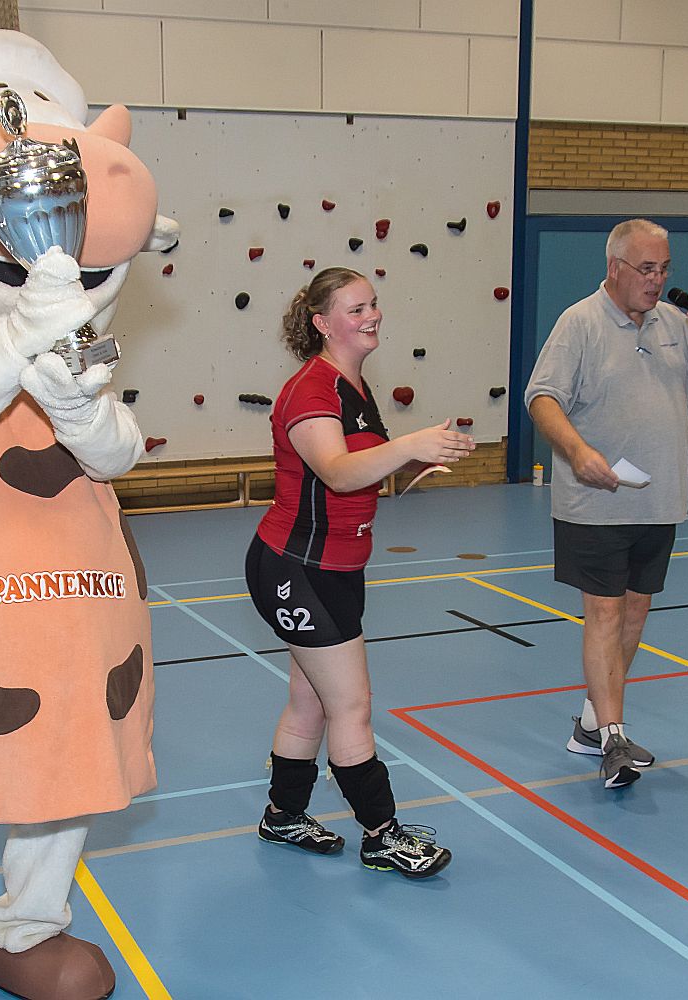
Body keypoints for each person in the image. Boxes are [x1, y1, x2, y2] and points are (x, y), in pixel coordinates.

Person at [245, 266, 473, 878]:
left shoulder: (354, 386)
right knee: (352, 706)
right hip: (297, 566)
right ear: (323, 323)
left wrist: (423, 458)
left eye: (373, 304)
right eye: (355, 309)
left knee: (310, 701)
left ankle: (283, 815)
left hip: (340, 565)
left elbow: (366, 469)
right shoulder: (312, 390)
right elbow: (338, 472)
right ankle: (382, 834)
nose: (372, 316)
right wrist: (409, 446)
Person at [525, 218, 688, 790]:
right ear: (614, 267)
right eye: (646, 269)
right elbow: (542, 397)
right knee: (604, 613)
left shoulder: (675, 323)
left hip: (659, 500)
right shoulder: (579, 322)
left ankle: (589, 723)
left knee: (633, 613)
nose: (657, 280)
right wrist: (578, 452)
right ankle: (614, 738)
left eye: (664, 268)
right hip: (595, 502)